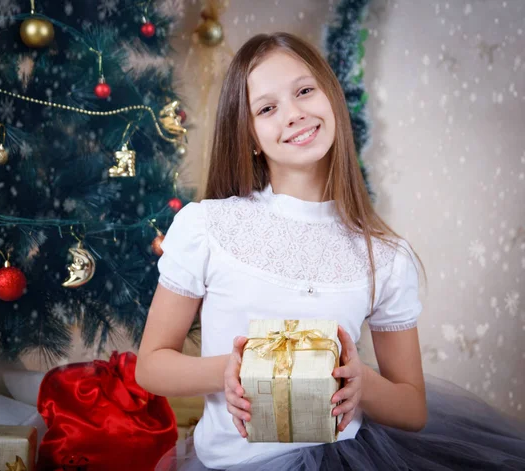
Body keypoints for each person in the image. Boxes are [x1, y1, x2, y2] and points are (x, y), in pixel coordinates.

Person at [135, 32, 525, 470]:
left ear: (331, 97)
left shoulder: (385, 255)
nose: (295, 114)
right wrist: (227, 370)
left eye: (304, 91)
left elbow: (412, 410)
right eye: (267, 108)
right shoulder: (207, 226)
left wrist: (364, 384)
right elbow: (150, 366)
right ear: (249, 136)